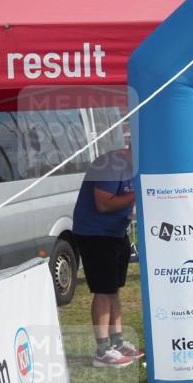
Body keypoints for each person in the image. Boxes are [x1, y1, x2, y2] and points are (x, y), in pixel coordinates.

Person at [71, 149, 143, 368]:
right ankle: (102, 351)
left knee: (113, 289)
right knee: (103, 290)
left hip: (115, 232)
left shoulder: (131, 165)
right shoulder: (111, 164)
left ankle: (117, 343)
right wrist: (138, 192)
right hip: (95, 234)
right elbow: (103, 204)